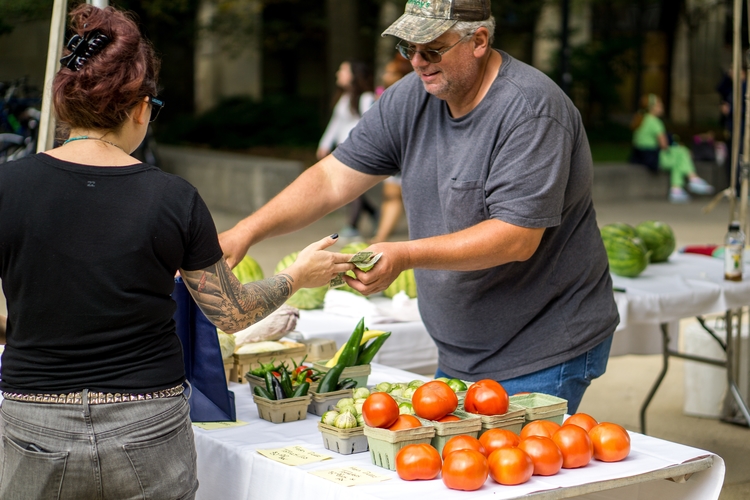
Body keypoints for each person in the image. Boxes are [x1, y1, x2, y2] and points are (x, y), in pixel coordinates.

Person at [0, 5, 351, 499]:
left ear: (64, 105)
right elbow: (230, 313)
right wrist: (297, 275)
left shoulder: (8, 186)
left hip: (35, 417)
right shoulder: (172, 197)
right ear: (141, 106)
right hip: (145, 422)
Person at [220, 0, 619, 413]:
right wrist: (247, 231)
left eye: (431, 50)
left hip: (543, 345)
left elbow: (515, 238)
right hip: (462, 348)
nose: (416, 62)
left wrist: (405, 254)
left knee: (511, 474)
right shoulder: (411, 97)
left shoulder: (530, 111)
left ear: (479, 40)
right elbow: (332, 177)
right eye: (407, 49)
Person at [317, 60, 377, 239]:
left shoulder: (366, 98)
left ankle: (352, 227)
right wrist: (324, 144)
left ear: (353, 74)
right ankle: (373, 212)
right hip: (342, 151)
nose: (338, 73)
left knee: (352, 188)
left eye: (342, 70)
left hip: (358, 151)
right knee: (349, 187)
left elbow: (369, 123)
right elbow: (335, 124)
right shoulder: (344, 98)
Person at [630, 93, 714, 203]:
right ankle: (690, 180)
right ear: (652, 107)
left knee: (678, 158)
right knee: (682, 153)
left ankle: (679, 188)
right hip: (652, 158)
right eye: (659, 104)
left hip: (639, 156)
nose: (662, 106)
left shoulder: (641, 120)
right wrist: (676, 146)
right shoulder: (655, 122)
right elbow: (664, 145)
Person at [371, 53, 414, 244]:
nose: (385, 76)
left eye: (391, 72)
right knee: (391, 196)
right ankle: (380, 237)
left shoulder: (411, 98)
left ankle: (381, 237)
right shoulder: (384, 95)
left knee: (395, 197)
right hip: (395, 153)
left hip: (407, 154)